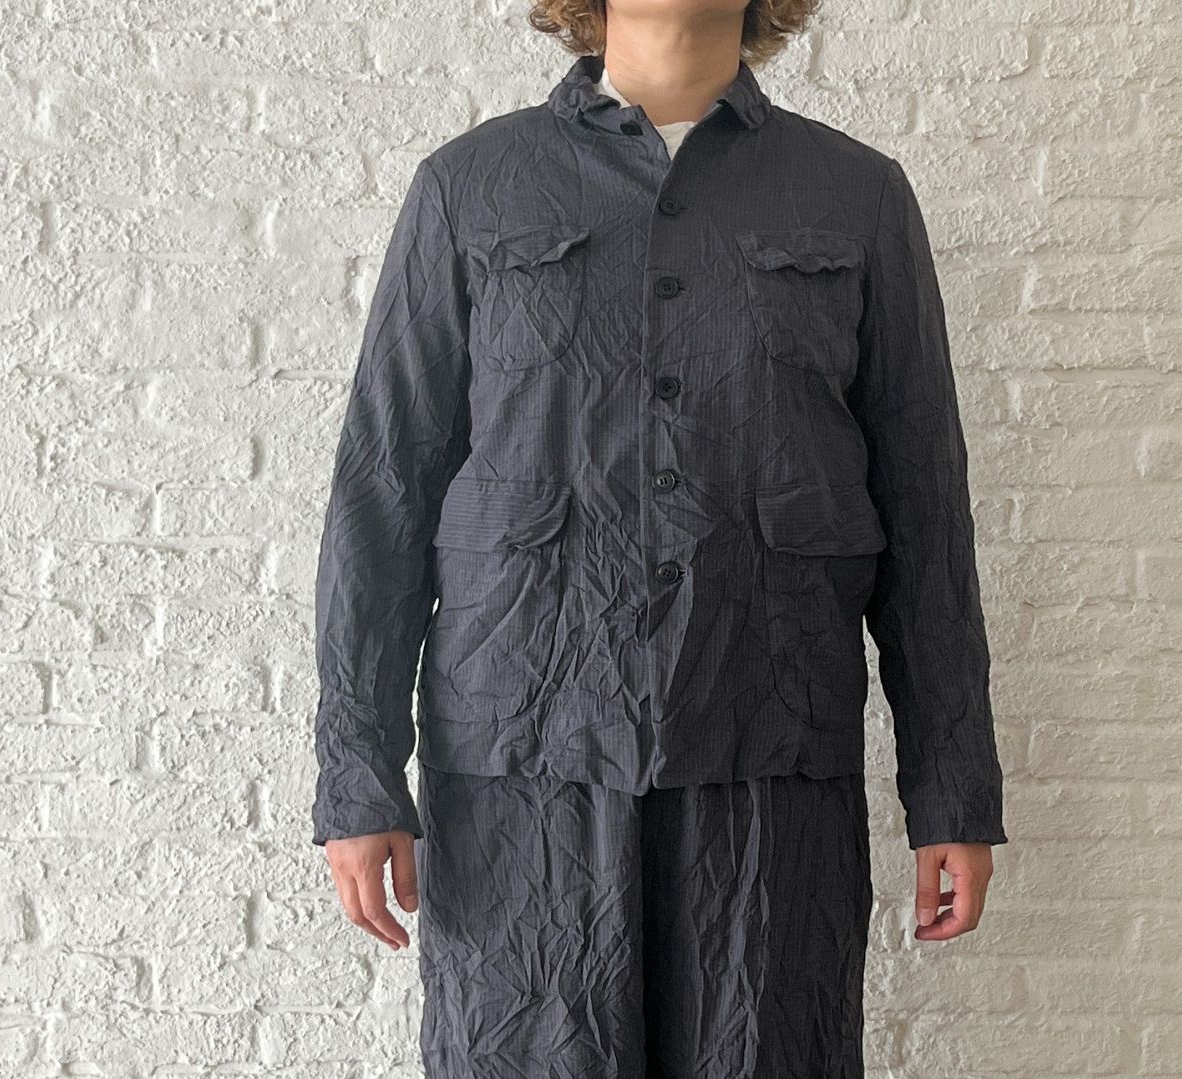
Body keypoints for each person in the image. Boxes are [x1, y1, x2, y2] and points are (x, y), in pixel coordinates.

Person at [310, 1, 1009, 1074]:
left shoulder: (856, 196)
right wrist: (358, 776)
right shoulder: (470, 188)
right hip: (520, 765)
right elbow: (382, 490)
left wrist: (950, 787)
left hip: (767, 755)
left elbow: (923, 506)